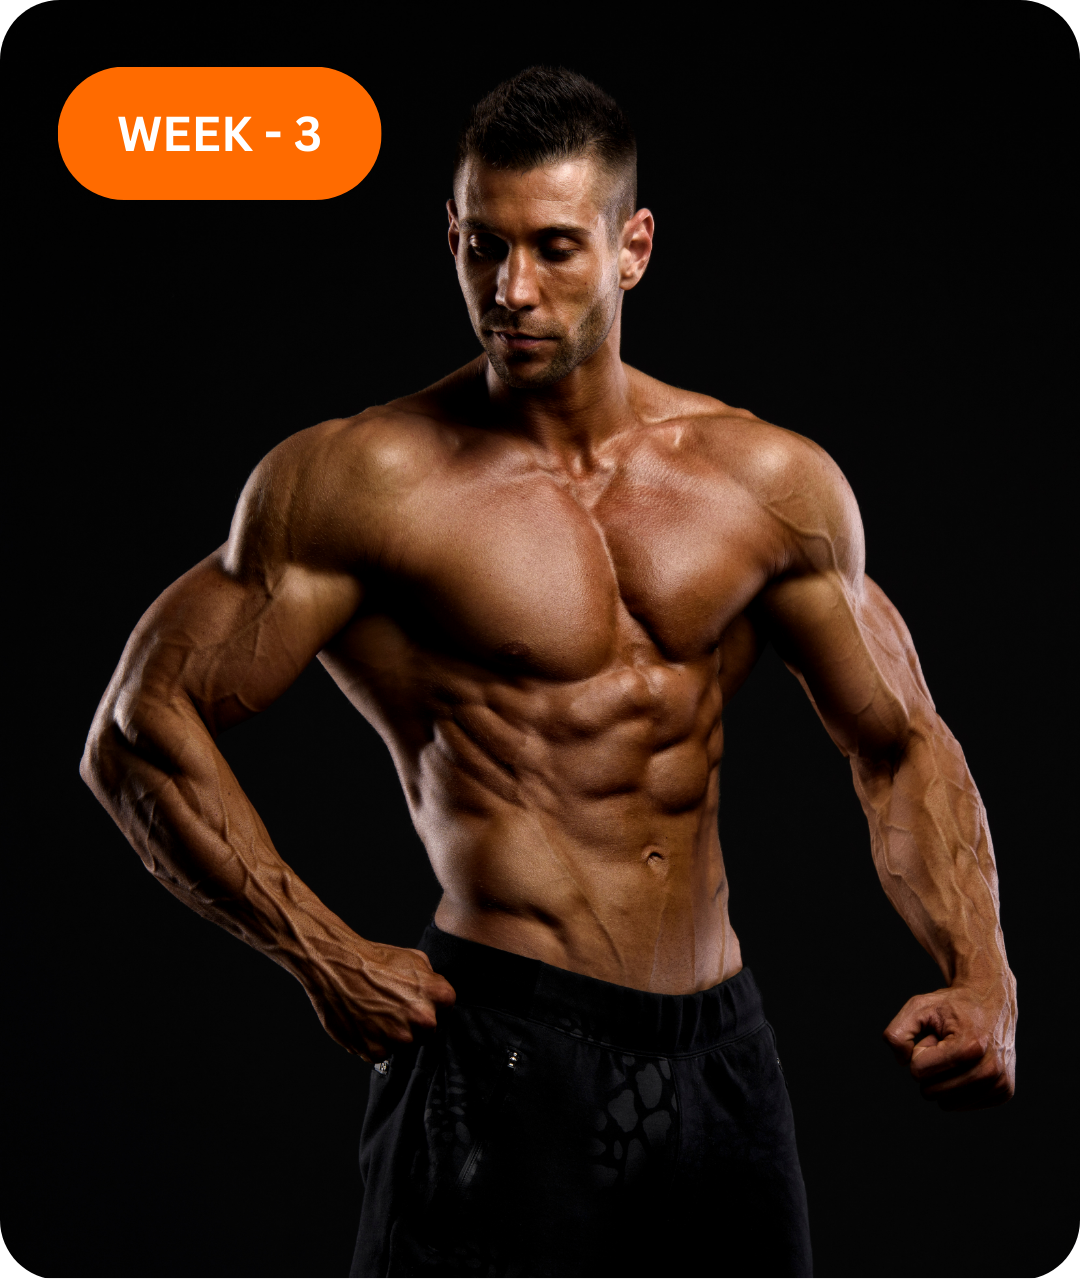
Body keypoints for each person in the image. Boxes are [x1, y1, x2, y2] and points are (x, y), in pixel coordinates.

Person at [81, 66, 1016, 1278]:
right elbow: (138, 724)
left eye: (555, 249)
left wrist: (984, 971)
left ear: (632, 248)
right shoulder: (367, 482)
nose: (510, 291)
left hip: (723, 1054)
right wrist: (320, 950)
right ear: (454, 238)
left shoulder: (766, 483)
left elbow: (901, 739)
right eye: (484, 247)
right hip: (505, 1047)